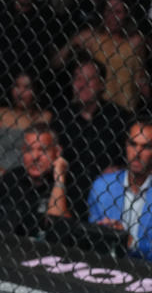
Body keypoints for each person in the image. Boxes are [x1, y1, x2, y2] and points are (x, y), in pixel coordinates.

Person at [53, 56, 131, 219]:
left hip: (109, 195)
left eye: (90, 79)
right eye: (78, 79)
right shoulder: (62, 118)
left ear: (102, 84)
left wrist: (121, 169)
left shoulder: (120, 118)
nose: (82, 85)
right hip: (69, 192)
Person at [0, 123, 74, 238]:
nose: (35, 157)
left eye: (43, 150)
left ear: (57, 152)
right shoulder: (10, 179)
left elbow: (60, 230)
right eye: (28, 149)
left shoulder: (69, 182)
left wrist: (59, 181)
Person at [87, 118, 152, 259]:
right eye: (133, 144)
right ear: (126, 145)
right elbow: (90, 237)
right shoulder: (102, 186)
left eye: (146, 147)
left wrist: (129, 242)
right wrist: (105, 233)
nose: (137, 152)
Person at [0, 71, 54, 179]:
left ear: (35, 90)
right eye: (17, 86)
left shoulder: (43, 117)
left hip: (30, 176)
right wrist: (0, 171)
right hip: (0, 174)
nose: (20, 92)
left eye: (26, 87)